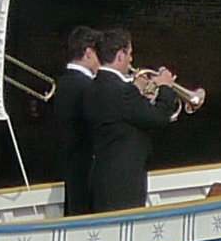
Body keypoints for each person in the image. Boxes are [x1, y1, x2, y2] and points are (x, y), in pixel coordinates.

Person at [78, 26, 185, 214]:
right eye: (129, 54)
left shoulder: (92, 88)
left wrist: (142, 90)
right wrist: (166, 88)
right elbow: (158, 118)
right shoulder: (122, 92)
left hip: (101, 176)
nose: (131, 60)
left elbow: (127, 114)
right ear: (120, 55)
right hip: (124, 181)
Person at [49, 29, 110, 214]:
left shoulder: (65, 82)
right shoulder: (85, 86)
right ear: (89, 52)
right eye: (100, 54)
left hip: (73, 166)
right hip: (87, 169)